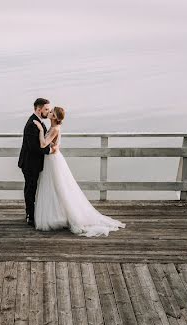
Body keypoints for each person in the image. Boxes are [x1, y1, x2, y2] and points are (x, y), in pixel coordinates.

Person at [32, 106, 125, 237]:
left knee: (61, 188)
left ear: (55, 117)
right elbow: (52, 145)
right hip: (50, 159)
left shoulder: (54, 129)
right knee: (53, 188)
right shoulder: (53, 128)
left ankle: (70, 217)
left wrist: (41, 130)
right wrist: (52, 144)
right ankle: (56, 215)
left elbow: (43, 145)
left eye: (52, 111)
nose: (49, 112)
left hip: (53, 160)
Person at [17, 98, 57, 226]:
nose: (48, 111)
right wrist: (50, 151)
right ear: (39, 109)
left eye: (49, 110)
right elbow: (34, 147)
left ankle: (34, 213)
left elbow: (43, 140)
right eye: (46, 109)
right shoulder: (31, 124)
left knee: (34, 188)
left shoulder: (39, 122)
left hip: (35, 163)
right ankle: (30, 216)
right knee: (30, 189)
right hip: (29, 163)